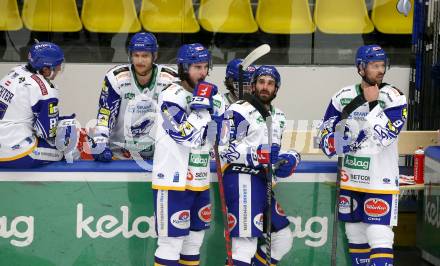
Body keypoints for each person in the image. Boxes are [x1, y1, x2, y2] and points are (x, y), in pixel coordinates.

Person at [319, 44, 407, 266]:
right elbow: (325, 141)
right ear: (360, 68)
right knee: (355, 235)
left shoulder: (394, 96)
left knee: (379, 234)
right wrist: (342, 141)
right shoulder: (343, 96)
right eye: (375, 66)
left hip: (381, 180)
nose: (381, 70)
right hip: (351, 180)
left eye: (382, 65)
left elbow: (386, 135)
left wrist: (373, 104)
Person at [219, 65, 300, 265]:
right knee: (244, 245)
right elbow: (220, 147)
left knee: (282, 240)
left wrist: (291, 157)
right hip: (241, 177)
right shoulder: (238, 109)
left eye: (270, 83)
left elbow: (274, 152)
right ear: (253, 85)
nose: (265, 87)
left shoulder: (279, 116)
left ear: (276, 88)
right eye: (261, 82)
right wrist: (255, 155)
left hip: (262, 182)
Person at [152, 43, 225, 266]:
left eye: (205, 67)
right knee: (171, 243)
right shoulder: (170, 96)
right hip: (173, 181)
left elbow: (220, 137)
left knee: (194, 242)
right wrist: (201, 107)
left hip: (200, 180)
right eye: (196, 67)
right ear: (183, 68)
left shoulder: (215, 96)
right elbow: (184, 136)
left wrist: (215, 112)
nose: (202, 73)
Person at [92, 32, 178, 161]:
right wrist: (100, 141)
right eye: (136, 55)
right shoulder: (116, 77)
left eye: (145, 56)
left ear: (154, 56)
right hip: (120, 154)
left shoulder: (170, 78)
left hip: (158, 156)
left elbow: (176, 118)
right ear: (130, 55)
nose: (140, 61)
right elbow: (106, 113)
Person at [0, 42, 76, 168]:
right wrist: (59, 124)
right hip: (14, 153)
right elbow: (47, 133)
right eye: (57, 66)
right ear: (45, 69)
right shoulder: (46, 90)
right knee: (67, 150)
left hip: (5, 138)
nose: (59, 69)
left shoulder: (15, 71)